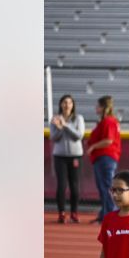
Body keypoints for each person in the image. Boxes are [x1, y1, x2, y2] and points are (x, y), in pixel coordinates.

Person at [85, 95, 122, 223]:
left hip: (106, 157)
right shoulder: (106, 121)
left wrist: (93, 146)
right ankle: (105, 214)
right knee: (104, 187)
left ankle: (110, 216)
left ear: (103, 107)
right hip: (102, 158)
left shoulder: (109, 121)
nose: (96, 108)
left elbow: (108, 140)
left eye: (98, 106)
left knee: (107, 187)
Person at [50, 94, 86, 224]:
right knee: (61, 185)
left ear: (73, 105)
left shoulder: (78, 118)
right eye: (64, 102)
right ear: (60, 104)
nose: (67, 105)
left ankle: (74, 213)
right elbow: (53, 137)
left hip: (75, 156)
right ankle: (61, 213)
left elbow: (79, 136)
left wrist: (65, 126)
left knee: (74, 185)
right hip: (60, 156)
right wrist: (59, 129)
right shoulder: (55, 119)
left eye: (70, 103)